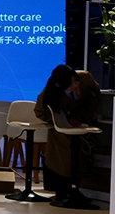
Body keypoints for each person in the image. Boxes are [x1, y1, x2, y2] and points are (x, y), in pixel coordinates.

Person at [33, 64, 100, 197]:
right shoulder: (49, 93)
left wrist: (90, 111)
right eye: (71, 84)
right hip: (62, 126)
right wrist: (65, 119)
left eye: (76, 81)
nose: (75, 85)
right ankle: (63, 190)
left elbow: (96, 92)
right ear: (59, 85)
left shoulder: (85, 78)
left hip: (83, 119)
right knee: (63, 157)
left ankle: (77, 189)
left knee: (83, 154)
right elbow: (40, 112)